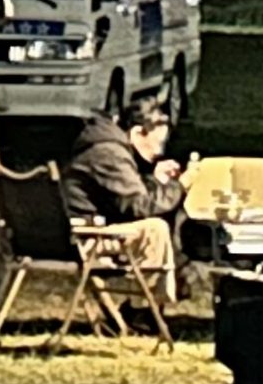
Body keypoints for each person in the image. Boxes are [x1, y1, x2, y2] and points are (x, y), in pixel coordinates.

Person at [61, 101, 193, 298]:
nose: (159, 152)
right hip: (88, 238)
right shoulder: (109, 153)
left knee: (153, 227)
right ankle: (146, 302)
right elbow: (138, 207)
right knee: (155, 228)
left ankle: (159, 293)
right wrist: (180, 186)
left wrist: (156, 181)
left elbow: (125, 199)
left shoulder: (104, 147)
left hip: (84, 230)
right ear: (138, 133)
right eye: (159, 143)